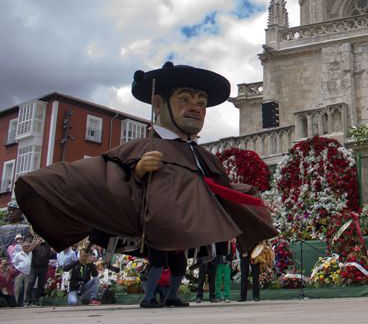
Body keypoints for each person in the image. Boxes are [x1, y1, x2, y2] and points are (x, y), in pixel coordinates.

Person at [13, 62, 278, 310]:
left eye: (202, 102)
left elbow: (221, 188)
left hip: (182, 226)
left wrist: (248, 207)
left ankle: (173, 295)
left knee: (176, 262)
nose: (196, 107)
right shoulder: (142, 147)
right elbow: (109, 174)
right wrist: (138, 169)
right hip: (156, 223)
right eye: (184, 99)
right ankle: (150, 296)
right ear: (159, 104)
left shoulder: (202, 155)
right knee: (159, 259)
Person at [26, 238, 54, 306]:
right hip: (34, 267)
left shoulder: (47, 245)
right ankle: (28, 300)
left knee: (41, 285)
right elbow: (28, 250)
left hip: (43, 267)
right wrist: (36, 243)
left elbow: (53, 252)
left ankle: (36, 300)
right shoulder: (35, 244)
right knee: (31, 283)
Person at [11, 239, 32, 306]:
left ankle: (25, 302)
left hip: (28, 273)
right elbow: (13, 263)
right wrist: (18, 269)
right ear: (22, 247)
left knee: (27, 289)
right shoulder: (18, 254)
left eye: (28, 246)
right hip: (20, 273)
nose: (26, 247)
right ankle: (15, 302)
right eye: (25, 246)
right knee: (16, 288)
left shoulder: (31, 254)